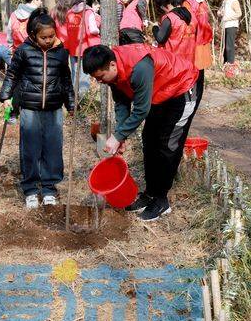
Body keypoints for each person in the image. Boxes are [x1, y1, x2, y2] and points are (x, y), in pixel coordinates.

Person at [82, 44, 199, 222]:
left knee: (168, 144)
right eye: (96, 79)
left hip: (182, 88)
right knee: (149, 139)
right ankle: (150, 193)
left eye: (101, 77)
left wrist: (119, 136)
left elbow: (141, 110)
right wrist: (120, 135)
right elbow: (121, 103)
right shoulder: (113, 75)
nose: (100, 82)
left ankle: (161, 199)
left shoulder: (140, 68)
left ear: (112, 65)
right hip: (160, 92)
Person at [0, 8, 75, 209]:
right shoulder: (24, 51)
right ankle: (31, 188)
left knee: (52, 147)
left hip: (53, 107)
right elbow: (12, 75)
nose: (49, 40)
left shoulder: (61, 52)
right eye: (44, 37)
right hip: (30, 107)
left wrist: (71, 102)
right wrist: (6, 96)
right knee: (30, 148)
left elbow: (66, 80)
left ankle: (49, 187)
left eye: (52, 36)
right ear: (33, 35)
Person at [153, 0, 201, 100]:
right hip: (189, 62)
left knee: (172, 97)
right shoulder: (192, 17)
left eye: (162, 7)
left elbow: (160, 38)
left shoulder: (170, 18)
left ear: (168, 4)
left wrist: (155, 27)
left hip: (173, 64)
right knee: (186, 96)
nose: (163, 10)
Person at [175, 0, 214, 102]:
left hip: (194, 45)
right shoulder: (200, 1)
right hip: (203, 43)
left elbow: (189, 26)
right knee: (200, 78)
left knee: (193, 79)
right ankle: (194, 102)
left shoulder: (188, 4)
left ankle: (191, 106)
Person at [65, 0, 101, 97]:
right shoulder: (88, 12)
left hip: (72, 47)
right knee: (84, 74)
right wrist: (99, 30)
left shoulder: (70, 12)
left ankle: (73, 96)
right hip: (85, 47)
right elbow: (93, 29)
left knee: (75, 73)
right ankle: (83, 98)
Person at [217, 0, 242, 65]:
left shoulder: (234, 1)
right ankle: (225, 63)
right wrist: (220, 13)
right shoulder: (225, 3)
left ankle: (230, 64)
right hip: (225, 26)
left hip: (231, 25)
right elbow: (220, 12)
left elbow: (239, 13)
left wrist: (227, 18)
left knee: (229, 46)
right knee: (225, 46)